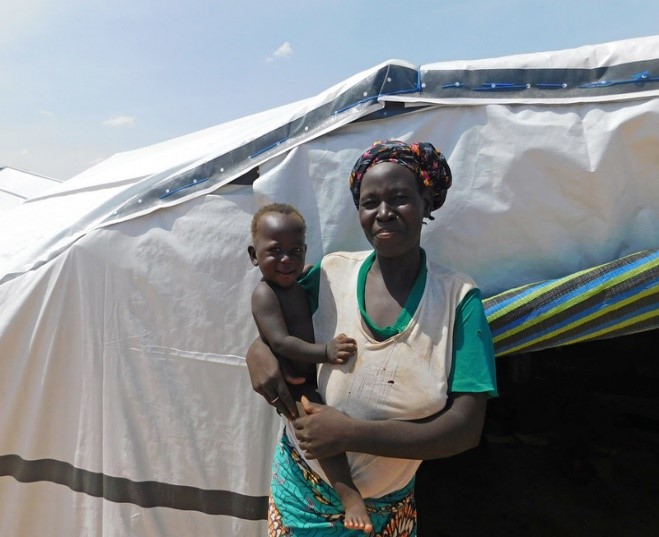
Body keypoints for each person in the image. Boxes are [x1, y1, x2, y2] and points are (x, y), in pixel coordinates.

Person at [247, 140, 498, 536]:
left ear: (426, 203)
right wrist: (256, 351)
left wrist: (350, 433)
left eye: (399, 198)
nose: (383, 213)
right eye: (370, 202)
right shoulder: (331, 274)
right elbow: (276, 318)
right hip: (299, 494)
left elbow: (464, 429)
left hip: (387, 510)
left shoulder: (457, 300)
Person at [248, 203, 373, 533]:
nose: (286, 260)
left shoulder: (295, 282)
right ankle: (350, 497)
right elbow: (280, 343)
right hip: (296, 382)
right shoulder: (265, 294)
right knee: (319, 435)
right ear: (253, 255)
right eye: (275, 251)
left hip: (310, 376)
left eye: (296, 251)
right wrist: (326, 352)